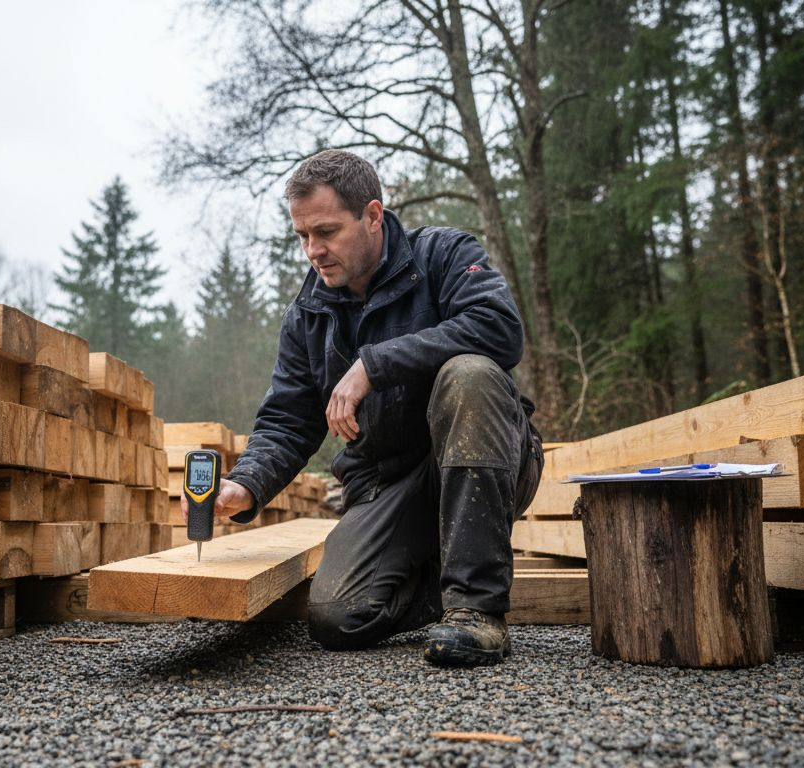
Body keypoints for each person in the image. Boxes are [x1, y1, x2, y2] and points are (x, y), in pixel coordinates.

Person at [187, 149, 543, 666]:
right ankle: (444, 574)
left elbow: (500, 327)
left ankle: (477, 611)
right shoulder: (307, 315)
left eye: (326, 232)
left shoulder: (443, 255)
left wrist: (374, 365)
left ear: (373, 215)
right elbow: (288, 417)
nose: (313, 250)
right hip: (389, 485)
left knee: (469, 373)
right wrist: (247, 484)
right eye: (303, 236)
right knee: (338, 616)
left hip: (488, 460)